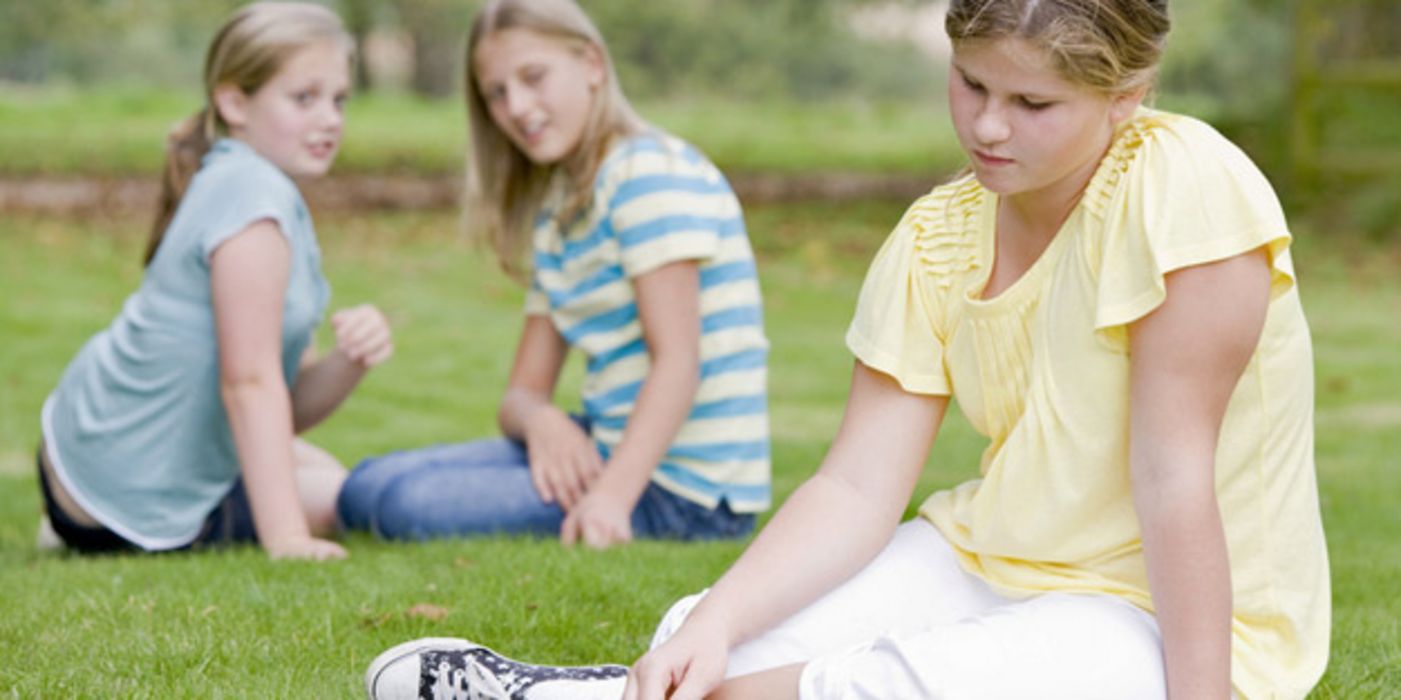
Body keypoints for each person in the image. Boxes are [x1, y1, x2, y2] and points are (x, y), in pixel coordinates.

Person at [360, 0, 1330, 698]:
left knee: (938, 684)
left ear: (1128, 94)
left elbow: (1171, 475)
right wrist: (716, 621)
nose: (988, 127)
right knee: (702, 638)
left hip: (1167, 617)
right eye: (971, 84)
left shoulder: (1186, 189)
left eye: (1033, 107)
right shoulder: (936, 235)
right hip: (986, 559)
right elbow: (858, 488)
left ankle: (565, 698)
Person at [336, 0, 770, 549]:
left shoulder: (648, 175)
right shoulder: (563, 208)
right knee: (368, 484)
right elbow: (520, 395)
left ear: (592, 65)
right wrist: (545, 423)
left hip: (685, 495)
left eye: (533, 77)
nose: (516, 107)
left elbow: (679, 363)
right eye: (496, 92)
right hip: (609, 447)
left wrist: (610, 499)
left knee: (403, 505)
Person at [36, 2, 392, 561]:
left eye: (339, 99)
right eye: (305, 98)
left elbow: (285, 400)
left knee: (324, 470)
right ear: (233, 101)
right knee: (343, 498)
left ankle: (69, 518)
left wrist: (352, 359)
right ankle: (87, 522)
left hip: (82, 449)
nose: (330, 119)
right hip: (121, 491)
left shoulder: (250, 184)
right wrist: (289, 538)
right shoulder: (252, 196)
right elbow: (249, 385)